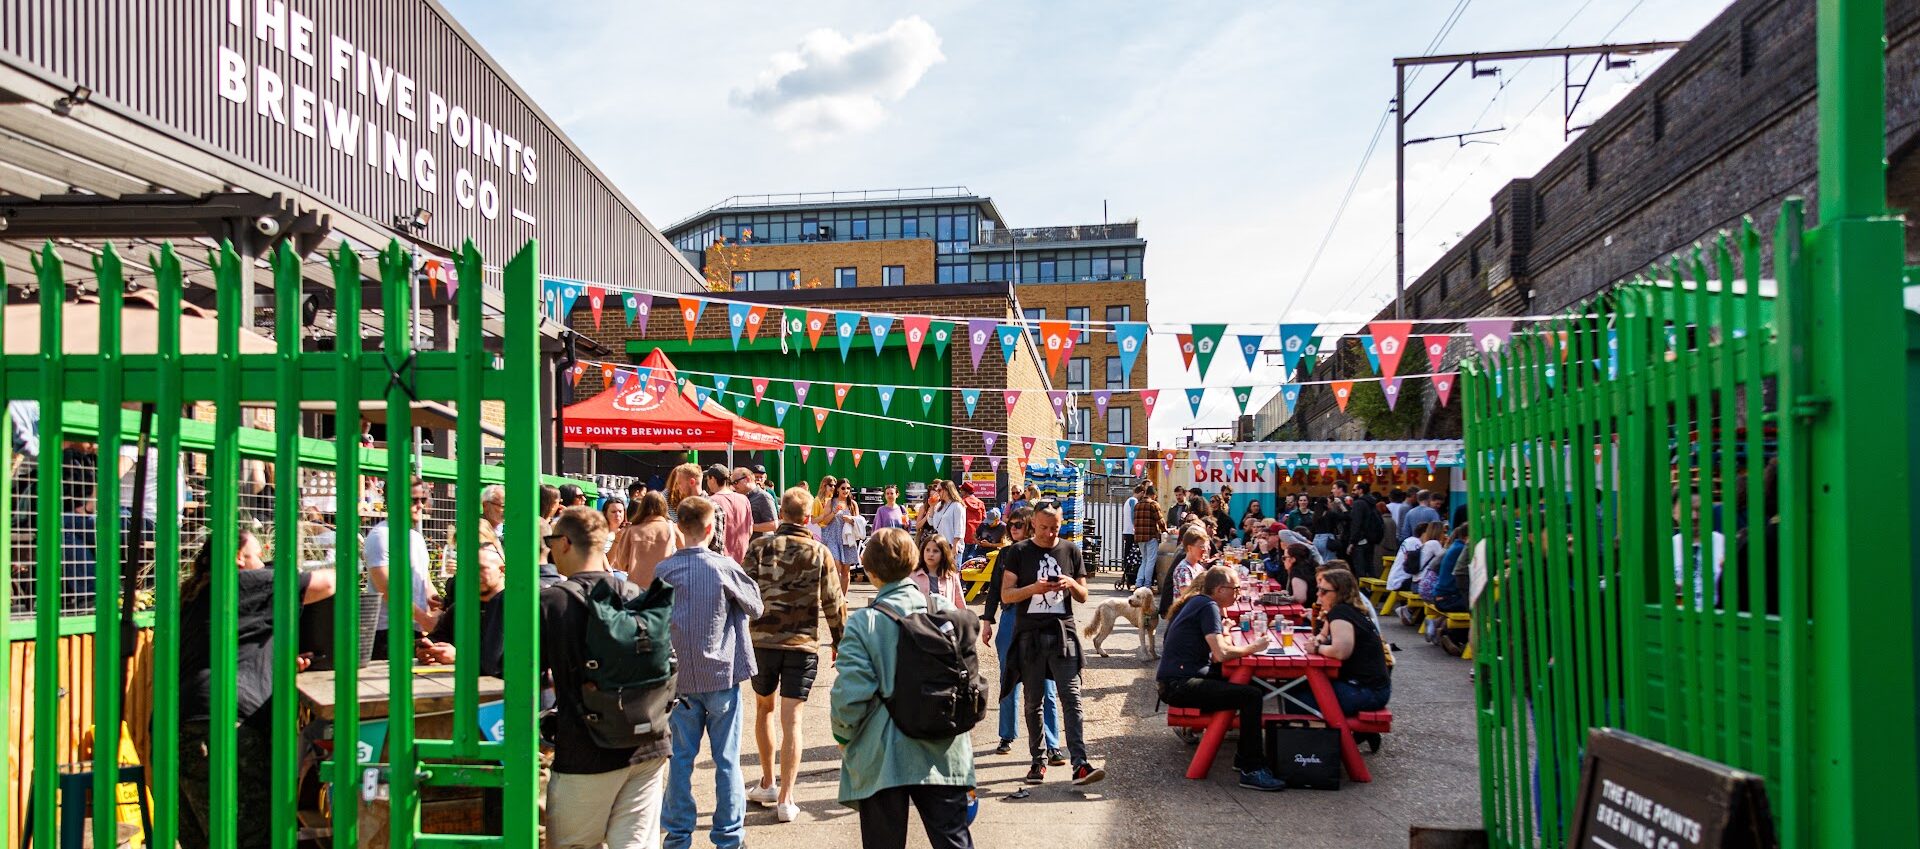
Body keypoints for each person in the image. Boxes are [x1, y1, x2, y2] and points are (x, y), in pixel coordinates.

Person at [177, 527, 336, 849]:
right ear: (238, 558)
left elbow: (232, 648)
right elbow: (329, 582)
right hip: (223, 729)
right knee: (251, 837)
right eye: (258, 556)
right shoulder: (242, 581)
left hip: (178, 728)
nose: (262, 564)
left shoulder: (195, 594)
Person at [830, 528, 977, 848]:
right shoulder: (943, 609)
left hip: (883, 755)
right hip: (944, 745)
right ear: (914, 563)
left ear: (869, 572)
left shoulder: (864, 622)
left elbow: (849, 695)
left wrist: (843, 737)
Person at [540, 506, 671, 849]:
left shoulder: (551, 602)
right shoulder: (636, 596)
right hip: (649, 744)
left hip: (585, 752)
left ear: (565, 542)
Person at [656, 496, 764, 849]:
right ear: (709, 528)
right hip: (721, 674)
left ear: (678, 527)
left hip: (679, 680)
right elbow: (756, 606)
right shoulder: (724, 567)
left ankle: (677, 837)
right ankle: (729, 837)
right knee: (727, 760)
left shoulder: (664, 571)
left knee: (680, 761)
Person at [742, 487, 846, 824]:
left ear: (782, 514)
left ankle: (769, 782)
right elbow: (834, 601)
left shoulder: (758, 548)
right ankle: (787, 798)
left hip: (762, 642)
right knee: (793, 720)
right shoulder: (819, 551)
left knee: (764, 710)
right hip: (801, 645)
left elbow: (743, 593)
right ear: (807, 517)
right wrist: (839, 642)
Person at [1156, 565, 1287, 792]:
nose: (1238, 593)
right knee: (1251, 696)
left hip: (1178, 679)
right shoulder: (1208, 607)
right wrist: (1253, 647)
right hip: (1179, 685)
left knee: (1250, 686)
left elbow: (1217, 653)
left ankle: (1245, 756)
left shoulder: (1201, 603)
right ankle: (1251, 769)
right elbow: (1221, 654)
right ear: (1218, 589)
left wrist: (1225, 632)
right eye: (1234, 588)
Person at [999, 506, 1105, 785]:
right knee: (1034, 700)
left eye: (1055, 527)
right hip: (1030, 637)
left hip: (1063, 635)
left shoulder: (1071, 550)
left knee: (1072, 698)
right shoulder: (1018, 552)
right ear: (1033, 523)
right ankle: (1038, 760)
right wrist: (1034, 589)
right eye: (1044, 527)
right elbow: (1007, 595)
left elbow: (1083, 596)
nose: (1049, 533)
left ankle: (1080, 763)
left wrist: (1070, 583)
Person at [978, 508, 1062, 759]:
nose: (1012, 528)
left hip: (1039, 618)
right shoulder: (1005, 554)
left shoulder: (1043, 553)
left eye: (1018, 524)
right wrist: (987, 620)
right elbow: (994, 589)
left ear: (1029, 525)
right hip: (1011, 618)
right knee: (1009, 679)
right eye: (1010, 525)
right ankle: (1006, 735)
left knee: (1047, 682)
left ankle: (1053, 742)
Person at [1298, 569, 1392, 740]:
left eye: (1324, 591)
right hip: (1373, 688)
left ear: (1339, 593)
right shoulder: (1346, 610)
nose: (1318, 594)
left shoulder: (1341, 612)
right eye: (1319, 589)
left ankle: (1322, 749)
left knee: (1297, 699)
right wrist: (1319, 640)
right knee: (1299, 689)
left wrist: (1317, 649)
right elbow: (1322, 636)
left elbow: (1341, 651)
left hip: (1367, 691)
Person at [364, 477, 441, 660]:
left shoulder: (416, 537)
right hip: (388, 631)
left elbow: (425, 581)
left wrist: (439, 606)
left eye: (423, 500)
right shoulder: (381, 536)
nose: (420, 505)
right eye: (414, 500)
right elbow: (388, 589)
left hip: (414, 629)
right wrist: (425, 620)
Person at [417, 545, 506, 677]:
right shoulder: (461, 609)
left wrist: (460, 657)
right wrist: (428, 650)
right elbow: (437, 638)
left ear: (502, 570)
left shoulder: (515, 610)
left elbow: (506, 661)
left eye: (481, 568)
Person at [1671, 492, 1726, 610]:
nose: (1694, 516)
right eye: (1687, 509)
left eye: (1699, 509)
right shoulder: (1668, 547)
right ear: (1674, 513)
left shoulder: (1724, 544)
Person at [611, 492, 679, 587]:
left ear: (642, 507)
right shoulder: (673, 529)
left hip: (636, 589)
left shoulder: (631, 530)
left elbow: (621, 564)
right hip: (665, 589)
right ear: (664, 507)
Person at [665, 463, 724, 556]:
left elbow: (716, 546)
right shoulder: (684, 507)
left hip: (707, 565)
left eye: (679, 483)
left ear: (692, 482)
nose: (678, 487)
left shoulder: (713, 507)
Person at [1158, 527, 1214, 618]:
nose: (1205, 550)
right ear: (1190, 548)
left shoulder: (1198, 566)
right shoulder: (1183, 570)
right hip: (1185, 617)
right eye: (1201, 547)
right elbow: (1188, 597)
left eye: (1206, 547)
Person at [818, 480, 861, 594]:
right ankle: (834, 595)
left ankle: (843, 596)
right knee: (836, 566)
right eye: (843, 488)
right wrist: (834, 512)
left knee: (846, 571)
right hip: (833, 538)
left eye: (848, 488)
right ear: (837, 489)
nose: (845, 491)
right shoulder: (831, 502)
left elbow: (859, 522)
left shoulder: (853, 504)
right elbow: (825, 521)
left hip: (848, 540)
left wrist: (851, 520)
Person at [704, 464, 753, 564]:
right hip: (742, 558)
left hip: (720, 560)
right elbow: (750, 530)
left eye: (707, 479)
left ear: (712, 479)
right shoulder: (744, 499)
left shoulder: (711, 501)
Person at [912, 535, 966, 606]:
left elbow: (960, 602)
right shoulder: (913, 575)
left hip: (945, 616)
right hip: (921, 616)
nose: (931, 554)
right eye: (927, 550)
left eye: (935, 551)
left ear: (943, 554)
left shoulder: (951, 576)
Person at [1132, 482, 1167, 590]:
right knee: (1151, 561)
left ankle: (1138, 583)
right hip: (1150, 536)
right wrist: (1165, 530)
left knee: (1144, 560)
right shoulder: (1153, 504)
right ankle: (1147, 585)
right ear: (1154, 495)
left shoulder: (1137, 505)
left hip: (1139, 537)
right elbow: (1160, 521)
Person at [733, 466, 778, 536]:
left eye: (736, 482)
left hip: (757, 545)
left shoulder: (763, 497)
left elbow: (774, 525)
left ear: (747, 479)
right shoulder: (739, 497)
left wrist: (748, 526)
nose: (734, 486)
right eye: (732, 483)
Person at [1385, 521, 1429, 592]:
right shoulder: (1416, 543)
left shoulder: (1410, 540)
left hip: (1395, 579)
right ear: (1424, 533)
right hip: (1401, 581)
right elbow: (1418, 565)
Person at [927, 481, 967, 549]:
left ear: (946, 490)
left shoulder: (957, 505)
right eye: (936, 490)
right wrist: (932, 506)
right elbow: (931, 523)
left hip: (952, 545)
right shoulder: (939, 505)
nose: (937, 493)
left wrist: (955, 546)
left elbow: (959, 527)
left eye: (939, 490)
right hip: (940, 545)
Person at [955, 477, 986, 560]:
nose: (960, 492)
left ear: (965, 491)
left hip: (964, 536)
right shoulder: (981, 503)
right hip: (977, 537)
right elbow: (984, 519)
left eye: (961, 490)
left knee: (963, 563)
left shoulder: (961, 503)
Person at [1311, 496, 1345, 564]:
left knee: (1318, 562)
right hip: (1327, 539)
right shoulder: (1330, 513)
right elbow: (1346, 517)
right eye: (1329, 502)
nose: (1331, 504)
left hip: (1316, 539)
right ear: (1325, 504)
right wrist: (1341, 505)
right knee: (1329, 562)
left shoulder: (1315, 515)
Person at [1120, 482, 1141, 579]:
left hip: (1127, 530)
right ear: (1141, 492)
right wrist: (1136, 526)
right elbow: (1134, 515)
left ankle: (1126, 571)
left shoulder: (1128, 500)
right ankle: (1128, 572)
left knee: (1127, 551)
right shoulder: (1134, 500)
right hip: (1131, 531)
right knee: (1130, 553)